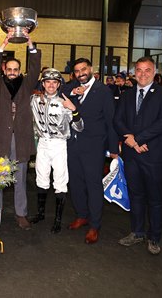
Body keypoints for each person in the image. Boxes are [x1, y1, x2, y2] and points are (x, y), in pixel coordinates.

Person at [114, 56, 162, 255]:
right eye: (139, 70)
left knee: (155, 198)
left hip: (155, 155)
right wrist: (131, 142)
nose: (142, 74)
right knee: (136, 195)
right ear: (134, 72)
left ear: (154, 72)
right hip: (132, 155)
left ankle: (154, 238)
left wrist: (137, 139)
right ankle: (137, 232)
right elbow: (118, 120)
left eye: (147, 70)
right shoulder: (126, 95)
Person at [0, 30, 41, 230]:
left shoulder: (26, 85)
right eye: (9, 68)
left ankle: (21, 214)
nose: (12, 71)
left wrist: (30, 44)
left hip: (20, 140)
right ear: (4, 69)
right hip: (1, 139)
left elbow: (35, 68)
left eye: (15, 69)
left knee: (20, 179)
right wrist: (3, 44)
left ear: (19, 70)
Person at [65, 58, 119, 244]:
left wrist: (113, 149)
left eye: (84, 69)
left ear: (91, 69)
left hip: (94, 146)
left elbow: (111, 120)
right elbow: (58, 92)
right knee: (76, 183)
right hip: (72, 145)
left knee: (93, 185)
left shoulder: (104, 91)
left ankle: (95, 225)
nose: (81, 73)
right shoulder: (71, 87)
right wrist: (72, 91)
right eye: (77, 71)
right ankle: (82, 215)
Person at [30, 68, 84, 233]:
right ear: (43, 83)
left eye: (54, 82)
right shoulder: (33, 100)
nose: (51, 85)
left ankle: (58, 220)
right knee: (41, 179)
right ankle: (40, 214)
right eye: (48, 82)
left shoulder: (64, 102)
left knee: (60, 182)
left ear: (59, 84)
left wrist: (74, 110)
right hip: (42, 144)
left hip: (59, 145)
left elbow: (80, 127)